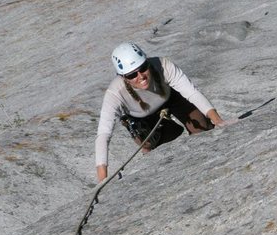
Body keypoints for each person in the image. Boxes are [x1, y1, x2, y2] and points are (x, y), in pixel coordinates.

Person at [95, 42, 227, 182]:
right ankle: (151, 144)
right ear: (123, 77)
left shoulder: (163, 66)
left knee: (202, 128)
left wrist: (218, 121)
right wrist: (102, 180)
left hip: (170, 98)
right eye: (132, 74)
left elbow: (192, 92)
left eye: (143, 68)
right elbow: (103, 134)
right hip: (141, 118)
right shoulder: (115, 93)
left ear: (147, 63)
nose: (141, 76)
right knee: (152, 140)